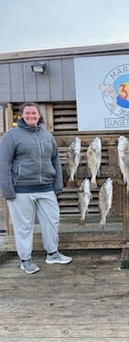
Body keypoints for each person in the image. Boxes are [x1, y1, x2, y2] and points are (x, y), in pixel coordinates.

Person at [0, 102, 72, 274]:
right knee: (23, 227)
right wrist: (7, 190)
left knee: (52, 221)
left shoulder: (47, 135)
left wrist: (57, 184)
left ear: (39, 116)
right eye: (27, 113)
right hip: (21, 190)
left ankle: (52, 254)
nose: (31, 116)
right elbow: (4, 163)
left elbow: (55, 160)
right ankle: (26, 259)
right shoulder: (12, 136)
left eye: (34, 113)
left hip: (46, 188)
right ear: (21, 116)